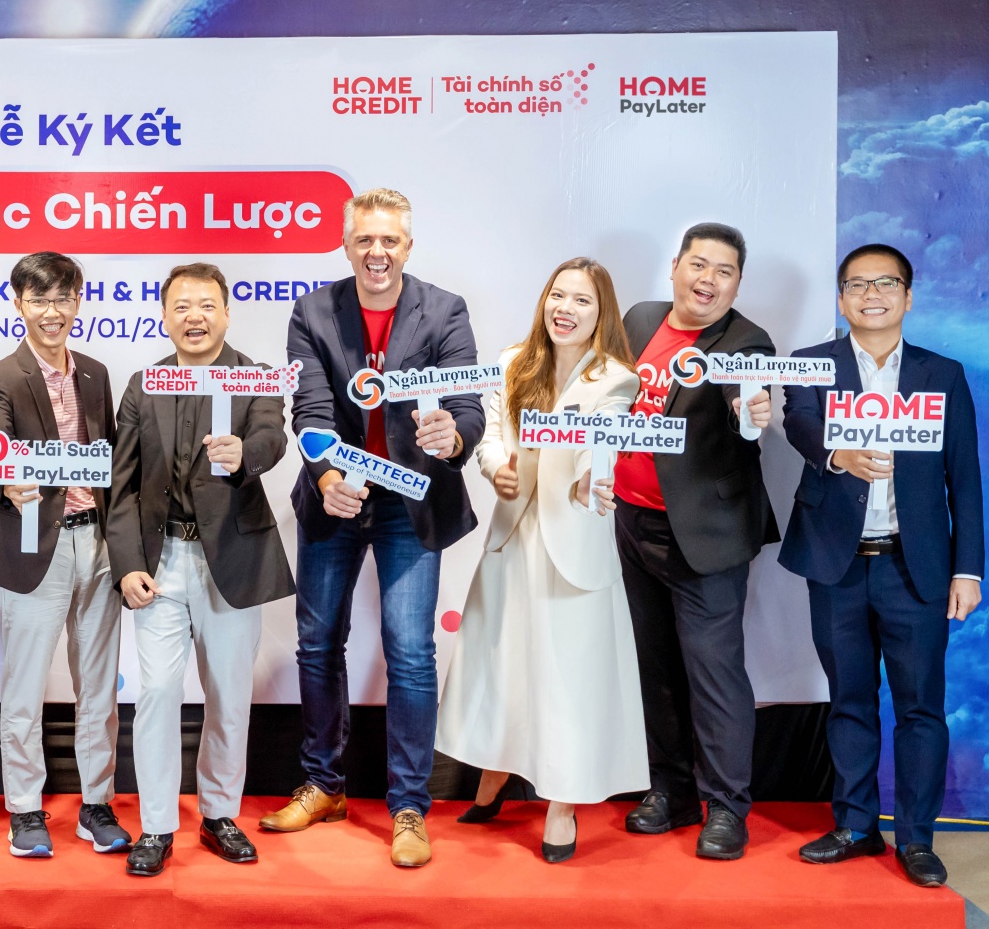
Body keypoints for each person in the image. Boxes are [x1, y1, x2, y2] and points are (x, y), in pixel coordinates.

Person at [268, 188, 484, 868]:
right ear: (346, 245)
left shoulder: (444, 310)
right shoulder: (313, 311)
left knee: (411, 652)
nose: (377, 252)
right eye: (364, 239)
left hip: (411, 502)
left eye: (389, 240)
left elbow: (467, 406)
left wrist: (452, 437)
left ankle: (409, 806)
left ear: (408, 247)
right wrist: (328, 478)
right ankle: (324, 785)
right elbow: (309, 410)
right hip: (337, 492)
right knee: (317, 643)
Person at [781, 244, 985, 888]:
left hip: (916, 569)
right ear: (842, 299)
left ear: (908, 296)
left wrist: (968, 570)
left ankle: (917, 839)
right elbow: (799, 421)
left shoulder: (941, 374)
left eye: (886, 283)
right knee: (849, 699)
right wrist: (836, 453)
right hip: (836, 563)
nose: (872, 294)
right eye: (858, 284)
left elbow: (965, 477)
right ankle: (856, 826)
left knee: (921, 708)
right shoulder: (812, 364)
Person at [436, 257, 647, 863]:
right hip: (512, 539)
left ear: (601, 313)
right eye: (558, 296)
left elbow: (599, 445)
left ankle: (561, 803)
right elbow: (492, 434)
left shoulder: (615, 380)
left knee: (566, 678)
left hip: (572, 541)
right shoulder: (512, 362)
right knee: (500, 665)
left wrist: (587, 481)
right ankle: (496, 770)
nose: (566, 309)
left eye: (581, 301)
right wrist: (493, 468)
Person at [106, 263, 292, 877]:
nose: (195, 317)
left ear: (227, 314)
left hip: (231, 560)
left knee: (229, 696)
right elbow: (121, 486)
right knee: (158, 692)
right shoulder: (144, 385)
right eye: (182, 306)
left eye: (207, 305)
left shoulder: (256, 376)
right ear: (164, 316)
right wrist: (126, 564)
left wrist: (244, 454)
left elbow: (271, 438)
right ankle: (157, 825)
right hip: (160, 563)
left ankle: (219, 815)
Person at [614, 223, 775, 861]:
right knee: (655, 668)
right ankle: (672, 792)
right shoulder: (639, 319)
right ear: (675, 266)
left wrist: (749, 413)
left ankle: (727, 806)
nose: (708, 280)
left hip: (705, 535)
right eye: (699, 265)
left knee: (714, 674)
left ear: (737, 284)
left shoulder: (747, 342)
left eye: (724, 271)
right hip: (632, 523)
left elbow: (747, 399)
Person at [0, 252, 128, 860]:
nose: (52, 311)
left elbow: (109, 455)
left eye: (63, 298)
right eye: (39, 299)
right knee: (25, 685)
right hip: (34, 541)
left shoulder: (96, 372)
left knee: (99, 687)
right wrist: (6, 475)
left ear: (78, 301)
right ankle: (24, 809)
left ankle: (96, 804)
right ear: (18, 304)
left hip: (99, 544)